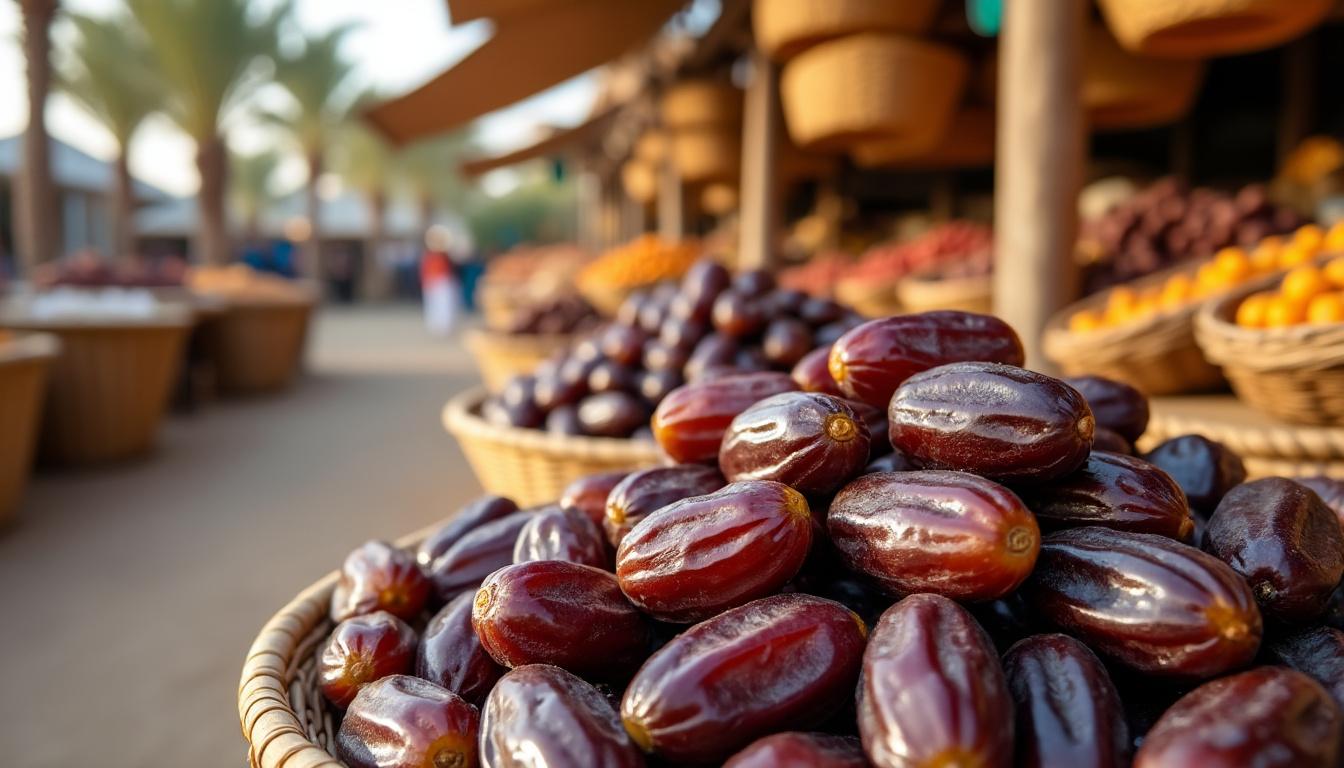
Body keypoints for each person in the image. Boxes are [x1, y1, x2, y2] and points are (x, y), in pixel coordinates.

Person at [421, 229, 459, 336]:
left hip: (443, 282)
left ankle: (444, 326)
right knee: (434, 305)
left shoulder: (445, 255)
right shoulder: (429, 256)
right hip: (433, 282)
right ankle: (437, 326)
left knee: (444, 305)